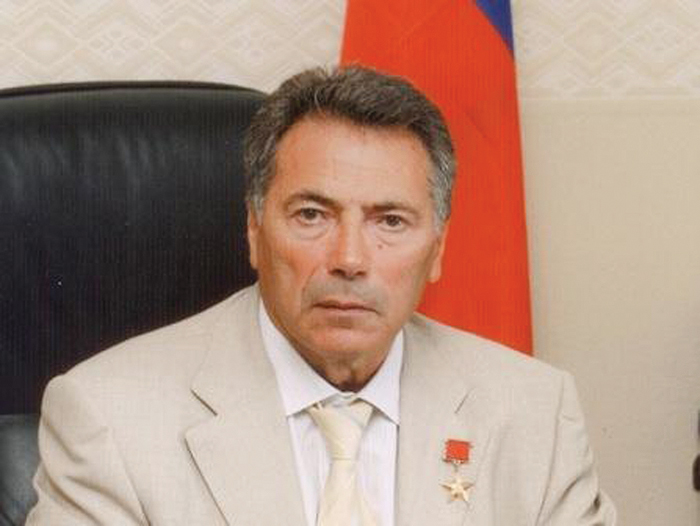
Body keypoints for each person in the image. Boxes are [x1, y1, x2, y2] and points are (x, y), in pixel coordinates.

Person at [27, 66, 616, 525]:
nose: (350, 259)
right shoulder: (111, 419)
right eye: (312, 214)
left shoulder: (534, 413)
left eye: (390, 221)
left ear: (437, 249)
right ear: (255, 230)